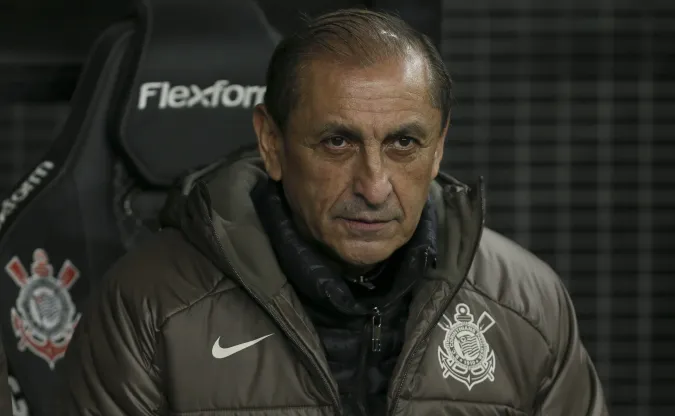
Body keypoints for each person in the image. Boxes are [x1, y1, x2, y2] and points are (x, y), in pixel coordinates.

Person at [59, 8, 608, 416]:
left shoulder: (527, 305)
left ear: (439, 147)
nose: (373, 186)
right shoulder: (151, 305)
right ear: (271, 143)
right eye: (337, 143)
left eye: (403, 144)